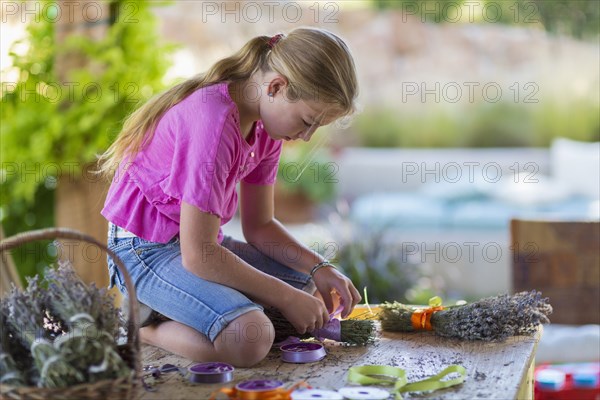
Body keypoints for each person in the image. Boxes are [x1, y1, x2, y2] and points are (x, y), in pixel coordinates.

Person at [98, 27, 361, 367]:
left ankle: (182, 307)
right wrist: (284, 296)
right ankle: (140, 325)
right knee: (251, 339)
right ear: (276, 87)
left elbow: (260, 226)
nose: (307, 137)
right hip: (143, 250)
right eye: (307, 121)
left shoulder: (267, 127)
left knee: (311, 289)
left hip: (194, 245)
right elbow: (201, 255)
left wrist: (320, 267)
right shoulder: (212, 123)